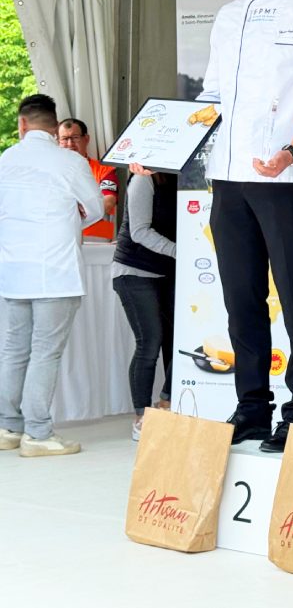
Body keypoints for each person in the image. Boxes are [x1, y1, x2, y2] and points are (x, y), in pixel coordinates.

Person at [134, 0, 293, 453]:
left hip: (285, 177)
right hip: (226, 180)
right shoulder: (230, 15)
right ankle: (252, 407)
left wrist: (292, 148)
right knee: (240, 299)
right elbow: (210, 99)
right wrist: (157, 149)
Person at [0, 94, 104, 456]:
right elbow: (96, 209)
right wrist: (72, 221)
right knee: (45, 352)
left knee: (13, 351)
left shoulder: (6, 159)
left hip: (13, 271)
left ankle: (7, 427)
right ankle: (38, 434)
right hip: (55, 271)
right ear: (52, 123)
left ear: (23, 124)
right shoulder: (70, 162)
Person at [112, 172, 177, 441]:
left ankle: (165, 402)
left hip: (168, 272)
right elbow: (139, 231)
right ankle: (141, 416)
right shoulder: (144, 177)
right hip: (134, 271)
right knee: (149, 342)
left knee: (178, 341)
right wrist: (181, 251)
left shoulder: (186, 178)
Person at [58, 117, 118, 240]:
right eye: (64, 139)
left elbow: (109, 201)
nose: (70, 144)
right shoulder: (52, 171)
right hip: (61, 237)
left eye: (75, 137)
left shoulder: (104, 169)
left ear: (86, 139)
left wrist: (70, 212)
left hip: (96, 239)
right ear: (58, 141)